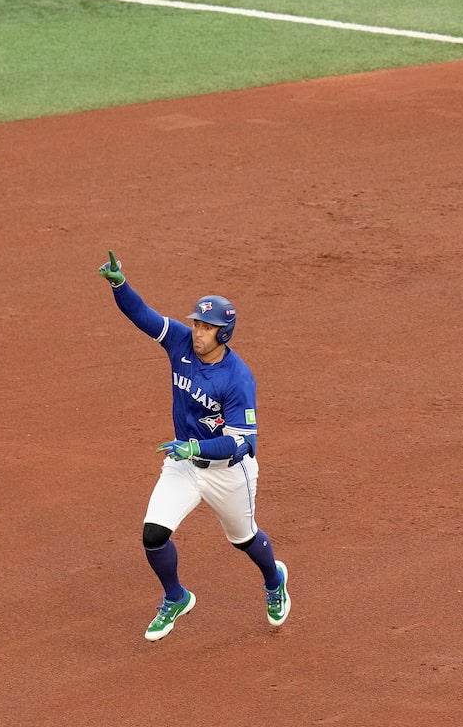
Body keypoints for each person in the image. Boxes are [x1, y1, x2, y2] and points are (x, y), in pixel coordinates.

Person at [98, 250, 291, 640]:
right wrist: (121, 286)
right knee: (154, 535)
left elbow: (240, 444)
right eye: (197, 324)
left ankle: (274, 580)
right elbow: (143, 315)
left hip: (227, 472)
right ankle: (176, 597)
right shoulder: (181, 343)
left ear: (224, 334)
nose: (198, 332)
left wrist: (196, 449)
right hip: (183, 463)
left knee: (244, 539)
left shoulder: (238, 379)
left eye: (207, 328)